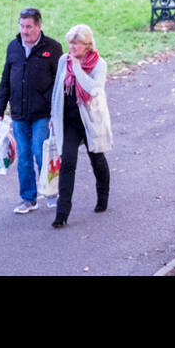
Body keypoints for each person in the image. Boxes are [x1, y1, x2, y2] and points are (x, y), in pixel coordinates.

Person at [0, 7, 62, 214]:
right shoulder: (13, 47)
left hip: (43, 114)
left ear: (39, 26)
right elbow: (6, 79)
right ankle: (28, 199)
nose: (25, 31)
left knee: (40, 154)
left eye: (29, 27)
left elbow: (59, 83)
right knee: (23, 156)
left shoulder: (53, 47)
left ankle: (51, 193)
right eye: (22, 26)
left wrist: (55, 112)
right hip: (19, 113)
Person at [49, 23, 112, 228]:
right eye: (71, 43)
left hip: (90, 119)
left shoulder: (98, 64)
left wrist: (77, 69)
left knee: (97, 159)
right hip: (69, 120)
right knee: (67, 163)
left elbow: (94, 89)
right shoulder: (62, 61)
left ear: (88, 45)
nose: (72, 47)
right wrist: (53, 116)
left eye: (77, 44)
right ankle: (62, 214)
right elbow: (58, 89)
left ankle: (103, 197)